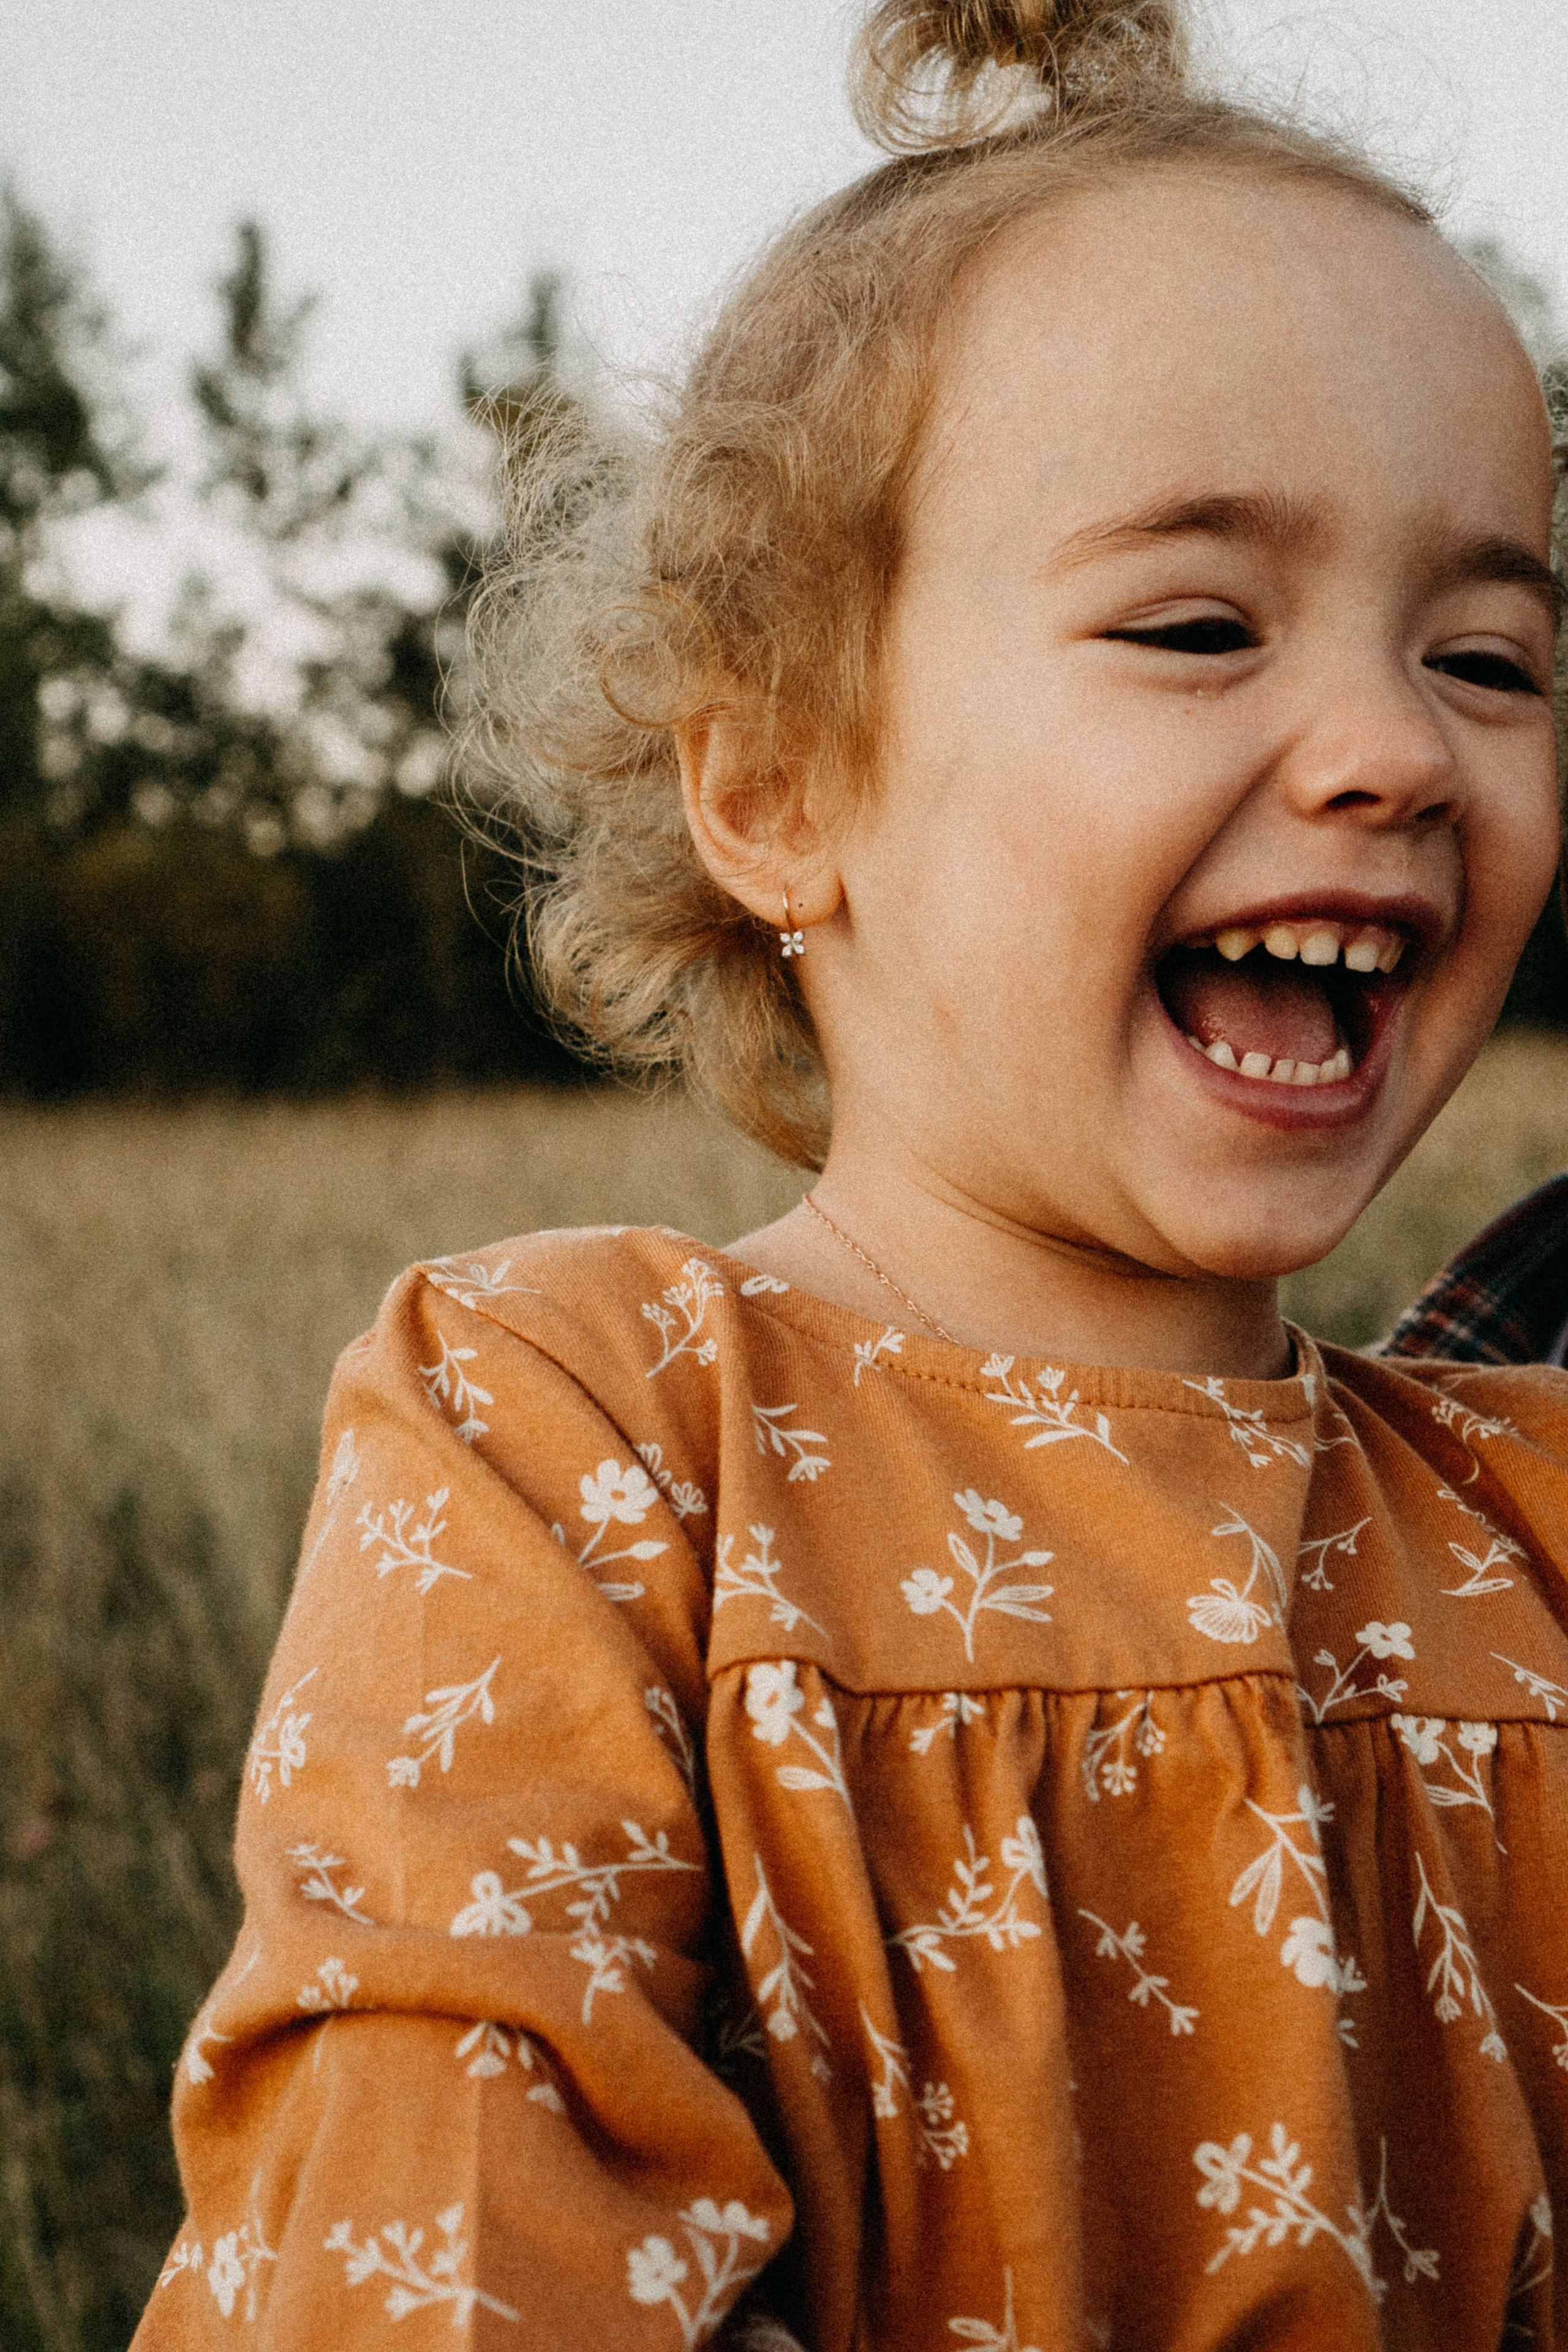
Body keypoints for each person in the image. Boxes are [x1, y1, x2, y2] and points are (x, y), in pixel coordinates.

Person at [135, 2, 1568, 2344]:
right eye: (1199, 624)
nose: (1399, 745)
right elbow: (435, 2206)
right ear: (782, 788)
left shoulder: (1530, 1512)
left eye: (1493, 655)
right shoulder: (584, 1437)